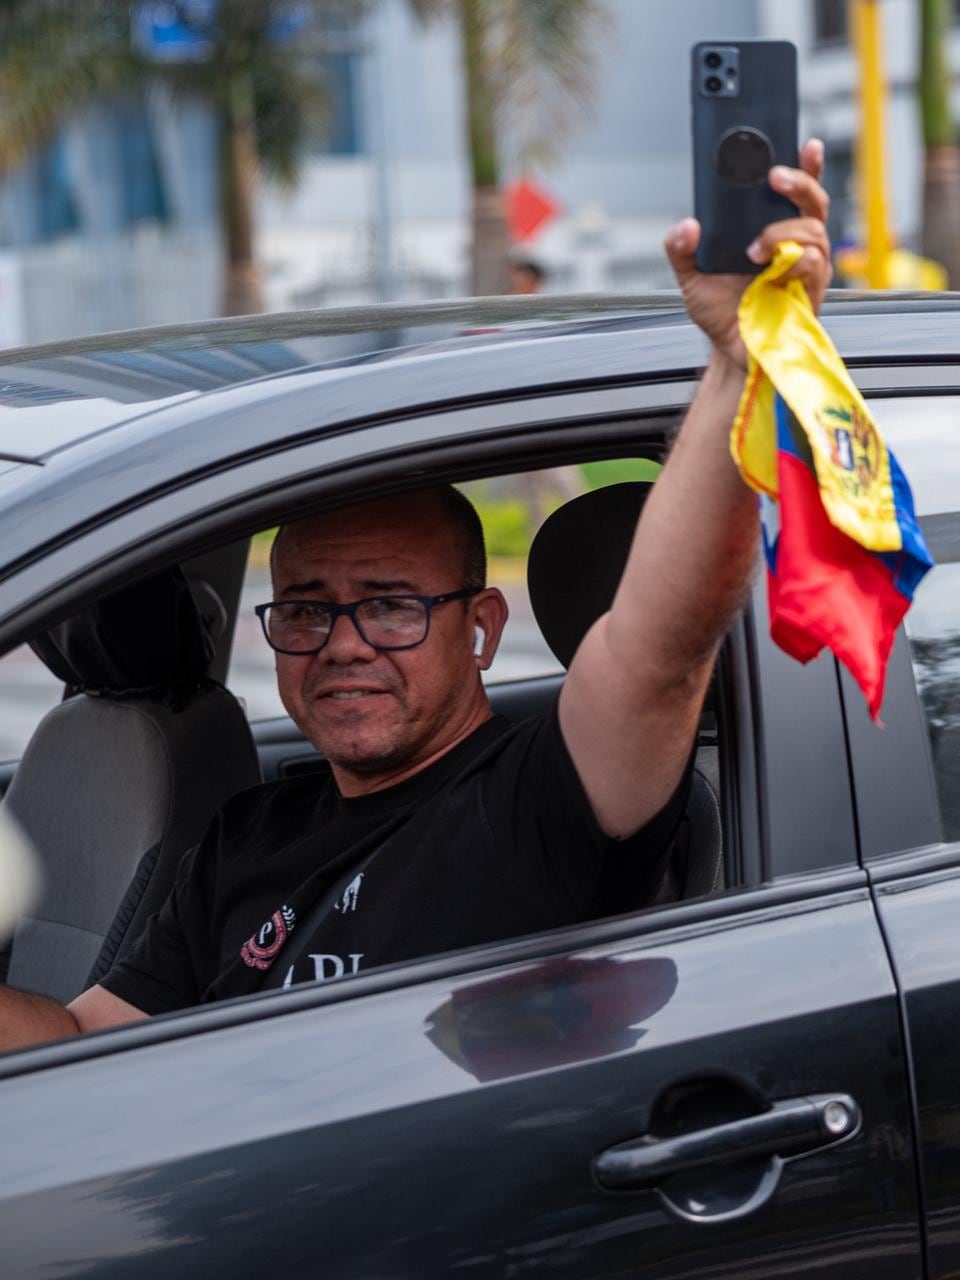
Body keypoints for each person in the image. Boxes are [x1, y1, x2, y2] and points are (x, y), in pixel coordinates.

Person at [0, 141, 831, 1049]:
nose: (343, 644)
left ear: (481, 626)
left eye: (391, 605)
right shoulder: (251, 833)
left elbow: (659, 651)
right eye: (308, 608)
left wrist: (743, 367)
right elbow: (83, 1042)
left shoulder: (535, 803)